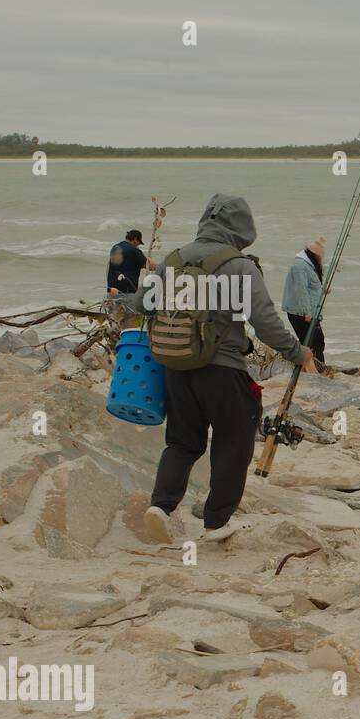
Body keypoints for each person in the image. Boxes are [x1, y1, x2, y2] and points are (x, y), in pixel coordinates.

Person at [140, 194, 315, 543]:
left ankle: (160, 506)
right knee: (234, 441)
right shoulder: (239, 265)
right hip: (222, 370)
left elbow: (145, 305)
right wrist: (299, 353)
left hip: (175, 367)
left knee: (182, 441)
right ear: (242, 227)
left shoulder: (173, 259)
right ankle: (216, 522)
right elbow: (265, 322)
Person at [282, 237, 327, 362]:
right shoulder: (300, 266)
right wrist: (307, 312)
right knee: (314, 343)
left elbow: (310, 287)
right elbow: (301, 291)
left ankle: (313, 369)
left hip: (309, 312)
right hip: (301, 313)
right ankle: (317, 370)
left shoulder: (308, 265)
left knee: (314, 342)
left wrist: (323, 290)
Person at [107, 229, 153, 295]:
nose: (138, 245)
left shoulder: (115, 247)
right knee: (128, 304)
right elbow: (150, 266)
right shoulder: (134, 250)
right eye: (138, 243)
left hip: (112, 288)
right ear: (135, 239)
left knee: (116, 303)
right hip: (127, 288)